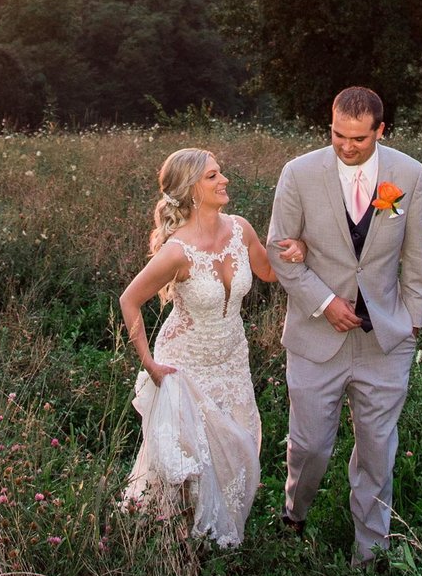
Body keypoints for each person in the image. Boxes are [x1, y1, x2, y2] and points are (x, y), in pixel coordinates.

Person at [265, 86, 422, 565]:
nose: (346, 145)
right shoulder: (298, 174)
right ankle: (295, 512)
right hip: (317, 338)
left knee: (378, 450)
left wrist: (412, 323)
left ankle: (370, 554)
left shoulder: (407, 174)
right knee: (312, 445)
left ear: (381, 131)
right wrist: (323, 302)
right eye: (338, 134)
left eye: (358, 138)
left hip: (385, 340)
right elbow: (280, 248)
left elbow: (414, 255)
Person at [119, 147, 302, 547]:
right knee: (190, 460)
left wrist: (294, 252)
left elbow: (268, 272)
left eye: (221, 174)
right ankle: (184, 544)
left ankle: (221, 534)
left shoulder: (240, 228)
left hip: (232, 358)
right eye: (213, 177)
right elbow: (129, 300)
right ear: (191, 190)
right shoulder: (176, 251)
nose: (224, 181)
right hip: (185, 363)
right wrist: (149, 363)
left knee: (238, 448)